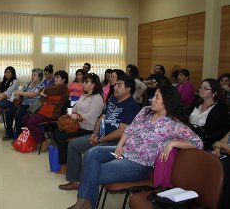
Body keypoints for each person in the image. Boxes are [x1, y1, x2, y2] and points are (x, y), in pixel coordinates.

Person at [68, 85, 203, 209]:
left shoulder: (174, 124)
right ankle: (86, 203)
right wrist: (119, 145)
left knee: (92, 170)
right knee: (92, 153)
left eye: (157, 97)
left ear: (167, 101)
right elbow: (129, 129)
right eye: (154, 96)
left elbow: (198, 142)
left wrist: (173, 143)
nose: (152, 100)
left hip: (139, 164)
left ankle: (84, 203)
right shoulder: (145, 111)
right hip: (124, 152)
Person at [59, 76, 140, 191]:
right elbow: (101, 118)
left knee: (90, 154)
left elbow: (122, 132)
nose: (114, 87)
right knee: (74, 145)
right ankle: (76, 181)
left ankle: (87, 190)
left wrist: (101, 140)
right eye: (115, 85)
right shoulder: (112, 100)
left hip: (117, 143)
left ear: (128, 89)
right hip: (101, 136)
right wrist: (95, 134)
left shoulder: (131, 106)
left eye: (119, 85)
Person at [53, 73, 104, 174]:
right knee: (57, 132)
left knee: (61, 136)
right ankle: (66, 162)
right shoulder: (84, 95)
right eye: (83, 82)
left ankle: (65, 165)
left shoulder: (97, 97)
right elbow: (75, 108)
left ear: (93, 84)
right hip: (78, 126)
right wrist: (71, 112)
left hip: (88, 129)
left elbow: (92, 115)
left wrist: (79, 116)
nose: (83, 84)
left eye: (86, 82)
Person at [22, 70, 69, 151]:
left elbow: (47, 90)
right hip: (43, 109)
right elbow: (41, 89)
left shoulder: (63, 87)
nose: (55, 79)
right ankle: (36, 138)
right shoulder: (54, 85)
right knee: (25, 118)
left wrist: (44, 92)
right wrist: (43, 92)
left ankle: (44, 140)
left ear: (64, 79)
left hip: (52, 113)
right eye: (55, 77)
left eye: (58, 77)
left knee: (31, 122)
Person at [188, 78, 230, 150]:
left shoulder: (220, 107)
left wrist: (187, 129)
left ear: (214, 92)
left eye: (205, 88)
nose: (201, 90)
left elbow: (209, 130)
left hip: (206, 141)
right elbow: (184, 115)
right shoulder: (197, 101)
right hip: (189, 135)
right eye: (200, 87)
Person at [7, 68, 45, 139]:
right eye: (32, 75)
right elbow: (21, 92)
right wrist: (17, 96)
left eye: (35, 75)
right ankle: (16, 136)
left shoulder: (41, 86)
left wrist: (19, 92)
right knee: (12, 114)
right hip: (24, 104)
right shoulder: (28, 83)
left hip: (34, 106)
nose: (32, 76)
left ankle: (24, 137)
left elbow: (32, 94)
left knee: (21, 117)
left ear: (40, 77)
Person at [212, 131, 230, 209]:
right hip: (224, 156)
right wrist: (217, 150)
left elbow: (221, 143)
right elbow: (218, 142)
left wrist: (222, 145)